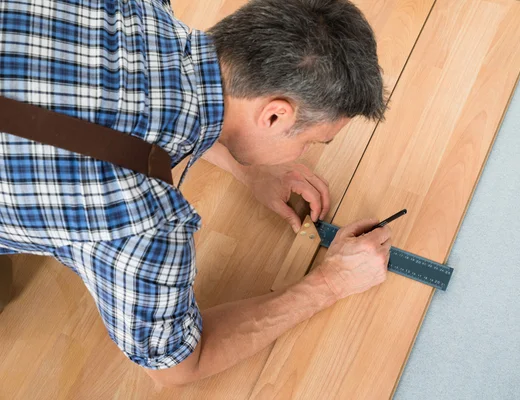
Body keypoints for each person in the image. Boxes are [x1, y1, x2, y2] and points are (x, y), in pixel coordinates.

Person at [0, 0, 392, 387]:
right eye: (313, 142)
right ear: (273, 116)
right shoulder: (141, 222)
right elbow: (180, 365)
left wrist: (247, 166)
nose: (305, 153)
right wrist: (331, 282)